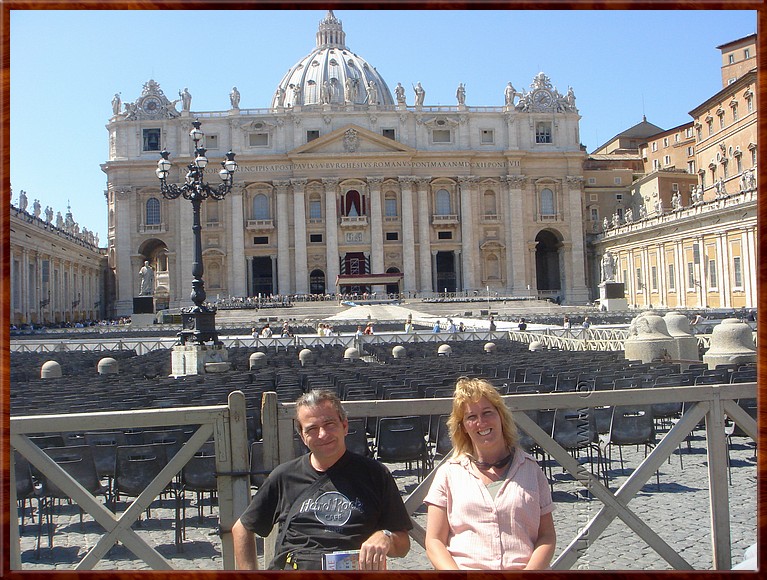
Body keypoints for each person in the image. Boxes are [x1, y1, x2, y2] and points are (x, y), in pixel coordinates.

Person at [232, 390, 412, 570]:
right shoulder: (284, 476)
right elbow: (241, 528)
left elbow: (403, 545)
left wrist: (385, 536)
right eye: (312, 429)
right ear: (303, 437)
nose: (323, 434)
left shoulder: (376, 474)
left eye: (329, 424)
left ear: (345, 426)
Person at [424, 377, 556, 570]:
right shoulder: (448, 473)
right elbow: (434, 541)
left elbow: (547, 535)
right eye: (471, 417)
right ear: (463, 428)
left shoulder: (531, 469)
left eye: (487, 413)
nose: (481, 423)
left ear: (501, 416)